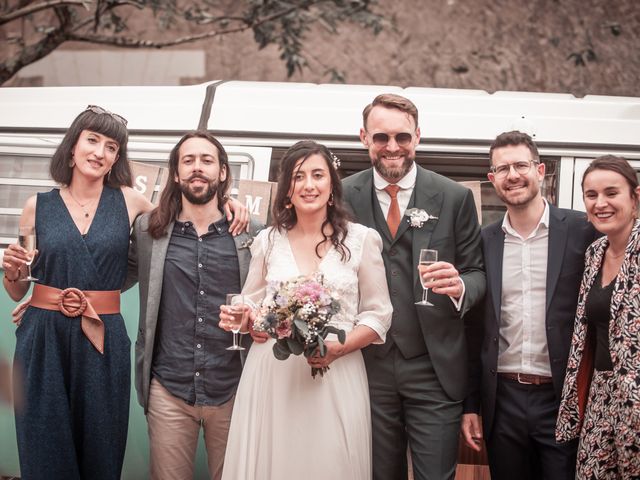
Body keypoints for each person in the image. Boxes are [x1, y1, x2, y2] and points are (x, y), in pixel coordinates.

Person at [220, 140, 392, 480]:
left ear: (332, 187)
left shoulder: (361, 240)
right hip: (272, 372)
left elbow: (379, 314)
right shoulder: (268, 240)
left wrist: (339, 348)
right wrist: (242, 316)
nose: (309, 185)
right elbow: (251, 299)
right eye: (299, 177)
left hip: (336, 374)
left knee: (330, 462)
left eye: (318, 175)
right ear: (287, 190)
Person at [1, 105, 152, 480]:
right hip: (43, 337)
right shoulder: (36, 206)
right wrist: (12, 270)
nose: (100, 152)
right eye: (93, 140)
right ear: (72, 147)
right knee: (43, 440)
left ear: (117, 157)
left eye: (112, 147)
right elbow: (17, 289)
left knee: (102, 443)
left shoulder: (131, 201)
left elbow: (182, 222)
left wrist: (230, 204)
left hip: (103, 336)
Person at [342, 93, 486, 479]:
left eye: (402, 137)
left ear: (418, 137)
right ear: (363, 137)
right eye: (381, 137)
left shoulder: (455, 198)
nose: (392, 147)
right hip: (365, 366)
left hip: (433, 367)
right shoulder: (341, 195)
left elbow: (477, 273)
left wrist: (459, 286)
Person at [461, 131, 597, 479]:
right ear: (492, 179)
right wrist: (471, 405)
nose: (513, 175)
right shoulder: (483, 240)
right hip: (502, 399)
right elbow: (475, 330)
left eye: (521, 165)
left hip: (562, 398)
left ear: (540, 170)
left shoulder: (583, 230)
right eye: (502, 168)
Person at [126, 130, 256, 480]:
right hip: (169, 386)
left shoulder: (252, 232)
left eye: (207, 160)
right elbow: (107, 275)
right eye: (188, 160)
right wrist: (46, 295)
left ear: (224, 172)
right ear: (176, 173)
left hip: (236, 387)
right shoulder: (148, 230)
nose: (197, 168)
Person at [556, 155, 640, 479]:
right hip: (600, 394)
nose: (600, 203)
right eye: (591, 195)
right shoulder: (595, 252)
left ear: (635, 197)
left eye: (611, 193)